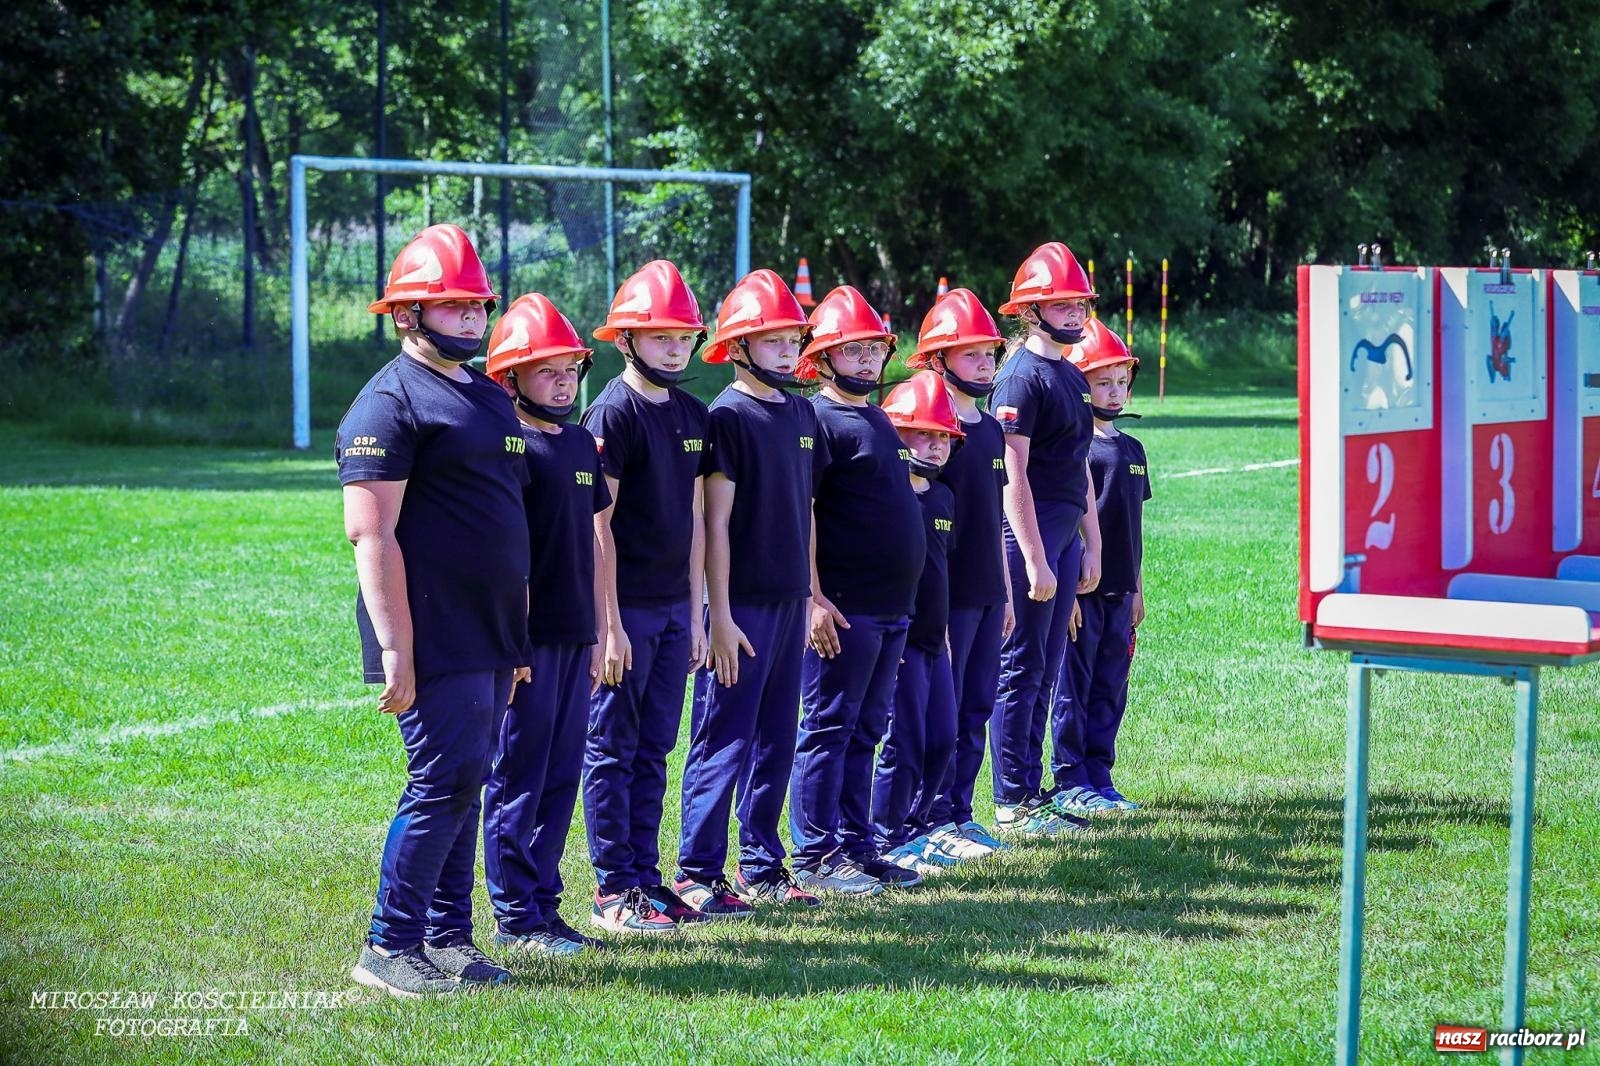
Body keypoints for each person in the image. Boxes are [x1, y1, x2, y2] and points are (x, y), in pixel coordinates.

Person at [337, 224, 527, 996]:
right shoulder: (388, 401)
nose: (473, 319)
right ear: (408, 315)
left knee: (469, 779)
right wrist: (394, 647)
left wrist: (513, 633)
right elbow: (369, 531)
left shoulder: (484, 393)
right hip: (429, 626)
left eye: (477, 305)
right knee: (441, 780)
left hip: (488, 624)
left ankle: (448, 938)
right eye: (452, 306)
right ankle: (389, 946)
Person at [580, 262, 730, 928]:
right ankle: (614, 889)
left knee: (654, 748)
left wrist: (698, 610)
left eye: (684, 338)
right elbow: (596, 525)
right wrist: (608, 624)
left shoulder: (695, 413)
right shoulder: (612, 410)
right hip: (628, 610)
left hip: (674, 610)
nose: (675, 348)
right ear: (627, 340)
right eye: (661, 337)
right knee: (612, 746)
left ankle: (647, 875)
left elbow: (699, 516)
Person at [674, 269, 826, 910]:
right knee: (725, 735)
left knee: (777, 736)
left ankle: (763, 866)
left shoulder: (801, 412)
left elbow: (808, 511)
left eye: (794, 338)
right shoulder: (727, 418)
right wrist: (720, 614)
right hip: (743, 609)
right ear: (736, 348)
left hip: (791, 602)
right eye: (772, 340)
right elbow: (713, 523)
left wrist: (813, 591)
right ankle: (698, 872)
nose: (789, 349)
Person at [479, 294, 614, 953]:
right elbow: (503, 553)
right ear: (509, 377)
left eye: (570, 370)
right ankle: (513, 916)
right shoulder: (509, 448)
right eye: (547, 371)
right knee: (518, 775)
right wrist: (513, 642)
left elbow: (594, 541)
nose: (563, 382)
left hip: (574, 635)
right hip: (527, 642)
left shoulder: (583, 444)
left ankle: (543, 905)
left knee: (562, 775)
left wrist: (600, 630)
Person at [789, 285, 925, 895]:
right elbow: (805, 513)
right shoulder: (818, 421)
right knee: (828, 727)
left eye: (874, 349)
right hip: (845, 608)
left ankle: (856, 844)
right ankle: (817, 855)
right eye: (853, 351)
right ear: (821, 357)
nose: (868, 361)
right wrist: (814, 597)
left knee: (867, 728)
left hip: (892, 607)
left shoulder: (875, 415)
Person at [988, 242, 1105, 836]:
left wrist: (1092, 540)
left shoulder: (1071, 374)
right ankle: (1011, 799)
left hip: (1063, 535)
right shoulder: (1019, 379)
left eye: (1080, 303)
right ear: (1031, 310)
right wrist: (1034, 559)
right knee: (1022, 668)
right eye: (1061, 304)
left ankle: (1032, 793)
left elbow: (1079, 465)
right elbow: (1013, 478)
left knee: (1048, 663)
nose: (1076, 314)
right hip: (1027, 537)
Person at [904, 289, 1015, 859]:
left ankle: (960, 811)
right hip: (943, 597)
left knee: (977, 707)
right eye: (971, 355)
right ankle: (926, 815)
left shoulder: (991, 430)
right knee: (933, 718)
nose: (984, 366)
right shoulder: (926, 435)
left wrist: (1006, 589)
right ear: (939, 359)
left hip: (987, 590)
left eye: (989, 356)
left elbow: (995, 513)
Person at [870, 370, 965, 875]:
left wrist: (946, 634)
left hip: (934, 640)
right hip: (900, 637)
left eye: (944, 437)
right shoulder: (887, 495)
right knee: (902, 741)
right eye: (923, 434)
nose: (935, 446)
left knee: (941, 737)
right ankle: (887, 833)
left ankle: (922, 823)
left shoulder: (944, 498)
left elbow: (941, 571)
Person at [1056, 319, 1150, 811]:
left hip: (1119, 591)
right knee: (1076, 686)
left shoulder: (1133, 450)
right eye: (1102, 382)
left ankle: (1100, 774)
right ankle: (1071, 780)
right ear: (1080, 383)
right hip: (1084, 589)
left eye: (1121, 382)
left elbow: (1133, 525)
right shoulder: (1076, 449)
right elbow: (1070, 521)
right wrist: (1068, 589)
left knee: (1111, 687)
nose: (1114, 393)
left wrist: (1137, 586)